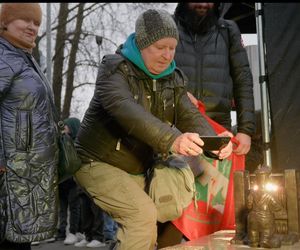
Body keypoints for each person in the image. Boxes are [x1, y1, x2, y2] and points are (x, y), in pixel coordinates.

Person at [74, 9, 232, 250]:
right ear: (141, 43)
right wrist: (173, 140)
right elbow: (126, 111)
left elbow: (189, 114)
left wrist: (214, 142)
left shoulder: (173, 79)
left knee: (162, 214)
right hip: (97, 161)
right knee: (141, 217)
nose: (167, 55)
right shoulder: (115, 69)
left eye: (172, 48)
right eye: (160, 47)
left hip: (137, 166)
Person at [0, 3, 59, 250]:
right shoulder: (4, 56)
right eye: (25, 20)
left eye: (36, 23)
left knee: (17, 238)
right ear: (5, 22)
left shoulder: (22, 56)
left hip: (24, 168)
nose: (32, 27)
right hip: (9, 168)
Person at [173, 3, 255, 156]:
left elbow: (242, 81)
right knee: (174, 178)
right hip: (175, 127)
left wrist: (245, 130)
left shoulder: (228, 30)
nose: (203, 4)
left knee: (216, 180)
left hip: (218, 130)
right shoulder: (169, 27)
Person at [55, 117, 85, 245]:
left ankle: (74, 232)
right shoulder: (61, 141)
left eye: (66, 126)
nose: (64, 129)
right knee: (62, 207)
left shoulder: (77, 143)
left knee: (74, 207)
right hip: (62, 181)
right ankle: (61, 231)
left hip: (73, 181)